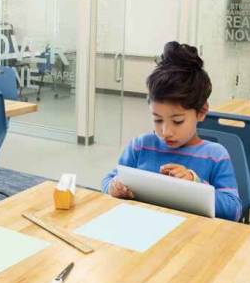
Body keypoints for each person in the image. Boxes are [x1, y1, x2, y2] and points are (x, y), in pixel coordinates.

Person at [100, 41, 242, 221]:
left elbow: (233, 210)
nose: (166, 131)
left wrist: (194, 184)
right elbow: (108, 180)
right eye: (157, 120)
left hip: (192, 239)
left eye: (177, 121)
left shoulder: (214, 156)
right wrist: (113, 187)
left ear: (201, 112)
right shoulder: (140, 147)